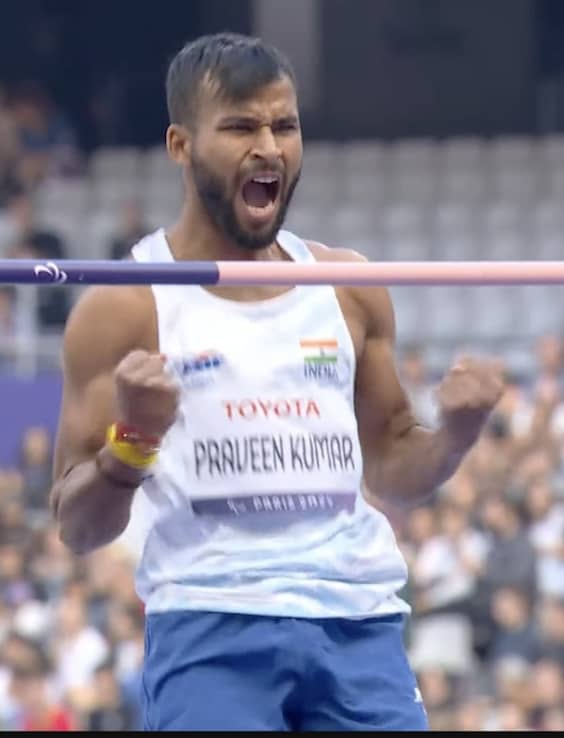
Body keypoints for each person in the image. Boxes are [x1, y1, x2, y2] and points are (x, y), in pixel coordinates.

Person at [48, 32, 504, 731]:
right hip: (210, 628)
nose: (269, 148)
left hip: (358, 623)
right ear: (180, 145)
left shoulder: (347, 285)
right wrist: (133, 440)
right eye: (240, 128)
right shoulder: (125, 307)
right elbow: (77, 527)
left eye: (284, 126)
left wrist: (455, 437)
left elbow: (392, 468)